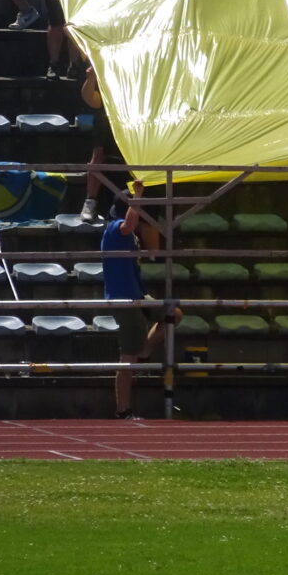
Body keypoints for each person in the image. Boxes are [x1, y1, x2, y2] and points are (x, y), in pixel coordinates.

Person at [100, 177, 182, 418]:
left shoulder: (129, 236)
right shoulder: (115, 227)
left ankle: (144, 350)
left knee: (173, 314)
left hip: (137, 292)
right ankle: (123, 410)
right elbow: (128, 223)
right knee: (126, 358)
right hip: (122, 297)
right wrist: (137, 197)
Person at [77, 63, 125, 222]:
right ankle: (90, 201)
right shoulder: (107, 88)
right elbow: (89, 97)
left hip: (133, 126)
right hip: (107, 124)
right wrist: (91, 78)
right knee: (97, 156)